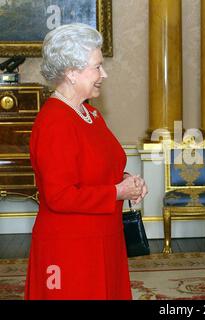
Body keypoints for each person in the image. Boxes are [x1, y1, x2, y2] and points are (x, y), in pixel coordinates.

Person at [25, 23, 148, 300]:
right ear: (71, 72)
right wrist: (118, 192)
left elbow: (97, 168)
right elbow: (59, 196)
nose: (103, 74)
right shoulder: (54, 123)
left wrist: (127, 179)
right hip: (70, 248)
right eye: (97, 66)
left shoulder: (90, 114)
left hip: (103, 238)